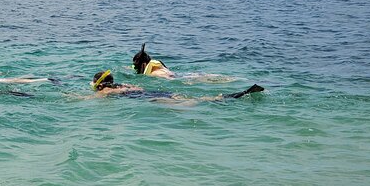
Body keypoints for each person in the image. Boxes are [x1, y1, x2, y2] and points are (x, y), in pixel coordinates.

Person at [91, 70, 264, 102]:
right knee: (189, 99)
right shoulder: (122, 84)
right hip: (152, 92)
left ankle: (225, 98)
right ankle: (234, 96)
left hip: (149, 98)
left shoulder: (105, 91)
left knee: (195, 102)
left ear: (99, 85)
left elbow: (89, 99)